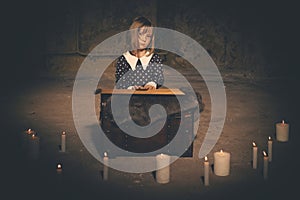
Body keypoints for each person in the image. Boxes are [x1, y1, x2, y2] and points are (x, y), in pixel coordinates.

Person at [115, 16, 164, 90]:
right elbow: (120, 80)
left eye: (148, 36)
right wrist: (132, 88)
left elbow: (158, 77)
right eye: (141, 34)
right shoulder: (124, 59)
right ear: (133, 34)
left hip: (150, 98)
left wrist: (151, 85)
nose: (144, 39)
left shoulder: (154, 58)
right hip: (128, 98)